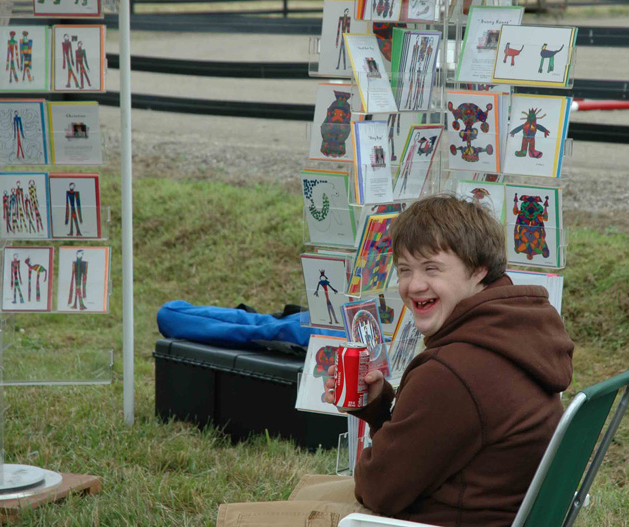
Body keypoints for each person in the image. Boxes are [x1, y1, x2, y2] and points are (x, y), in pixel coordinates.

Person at [216, 195, 574, 527]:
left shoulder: (455, 371)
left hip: (440, 518)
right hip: (485, 509)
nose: (414, 286)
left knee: (243, 519)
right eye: (404, 270)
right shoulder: (517, 332)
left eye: (432, 269)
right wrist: (380, 408)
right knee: (311, 491)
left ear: (478, 270)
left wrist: (382, 441)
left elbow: (380, 488)